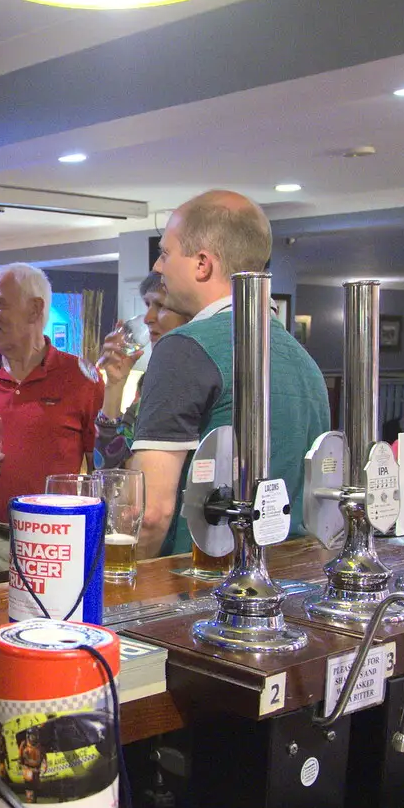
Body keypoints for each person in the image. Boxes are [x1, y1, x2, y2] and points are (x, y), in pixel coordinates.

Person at [130, 190, 331, 559]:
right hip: (284, 580)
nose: (158, 267)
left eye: (165, 253)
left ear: (202, 264)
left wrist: (120, 598)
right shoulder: (305, 361)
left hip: (198, 587)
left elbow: (150, 515)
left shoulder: (185, 348)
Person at [0, 263, 104, 577]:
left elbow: (101, 468)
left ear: (35, 309)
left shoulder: (82, 379)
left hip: (50, 543)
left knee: (44, 626)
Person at [94, 273, 193, 470]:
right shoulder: (151, 381)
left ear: (190, 314)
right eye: (148, 305)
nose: (148, 318)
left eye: (161, 306)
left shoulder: (195, 381)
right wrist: (115, 385)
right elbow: (106, 467)